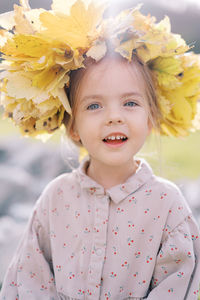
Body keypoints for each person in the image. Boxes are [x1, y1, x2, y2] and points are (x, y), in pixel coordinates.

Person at [0, 0, 200, 299]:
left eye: (130, 103)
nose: (114, 116)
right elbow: (29, 279)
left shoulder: (167, 205)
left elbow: (178, 285)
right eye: (94, 105)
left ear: (150, 117)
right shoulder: (55, 199)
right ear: (73, 126)